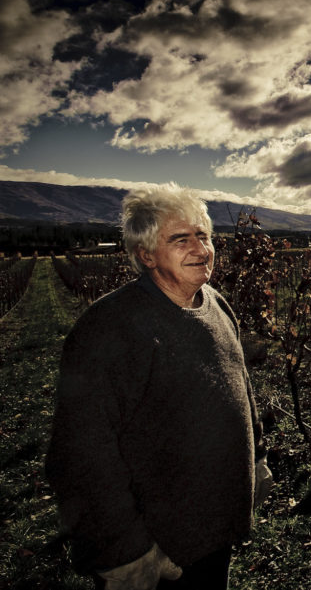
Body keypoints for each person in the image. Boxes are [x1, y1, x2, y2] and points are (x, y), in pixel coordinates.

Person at [46, 184, 271, 590]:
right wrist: (122, 552)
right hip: (158, 549)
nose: (200, 249)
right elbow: (80, 451)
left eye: (203, 235)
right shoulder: (109, 327)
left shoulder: (216, 304)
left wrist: (255, 459)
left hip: (215, 530)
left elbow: (239, 387)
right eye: (180, 239)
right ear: (146, 255)